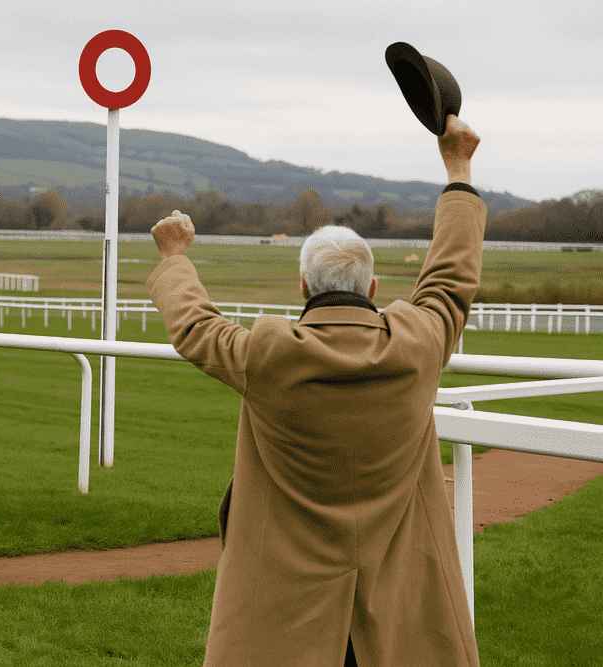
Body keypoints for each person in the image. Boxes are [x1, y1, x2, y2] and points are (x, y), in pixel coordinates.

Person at [147, 115, 484, 667]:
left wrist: (175, 259)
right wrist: (459, 171)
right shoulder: (418, 345)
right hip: (398, 608)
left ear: (302, 287)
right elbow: (451, 278)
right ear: (372, 289)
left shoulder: (269, 355)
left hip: (284, 614)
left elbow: (196, 326)